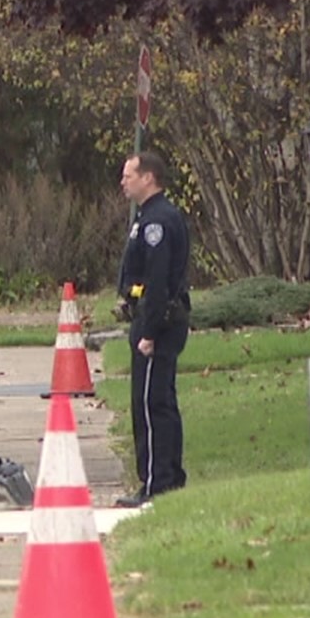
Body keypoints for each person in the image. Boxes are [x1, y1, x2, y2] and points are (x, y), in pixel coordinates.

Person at [115, 150, 191, 507]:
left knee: (149, 404)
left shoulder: (158, 221)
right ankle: (170, 477)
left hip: (157, 323)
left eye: (129, 175)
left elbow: (159, 280)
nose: (123, 181)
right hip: (154, 318)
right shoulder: (148, 216)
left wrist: (148, 331)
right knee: (161, 400)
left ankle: (155, 483)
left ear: (148, 178)